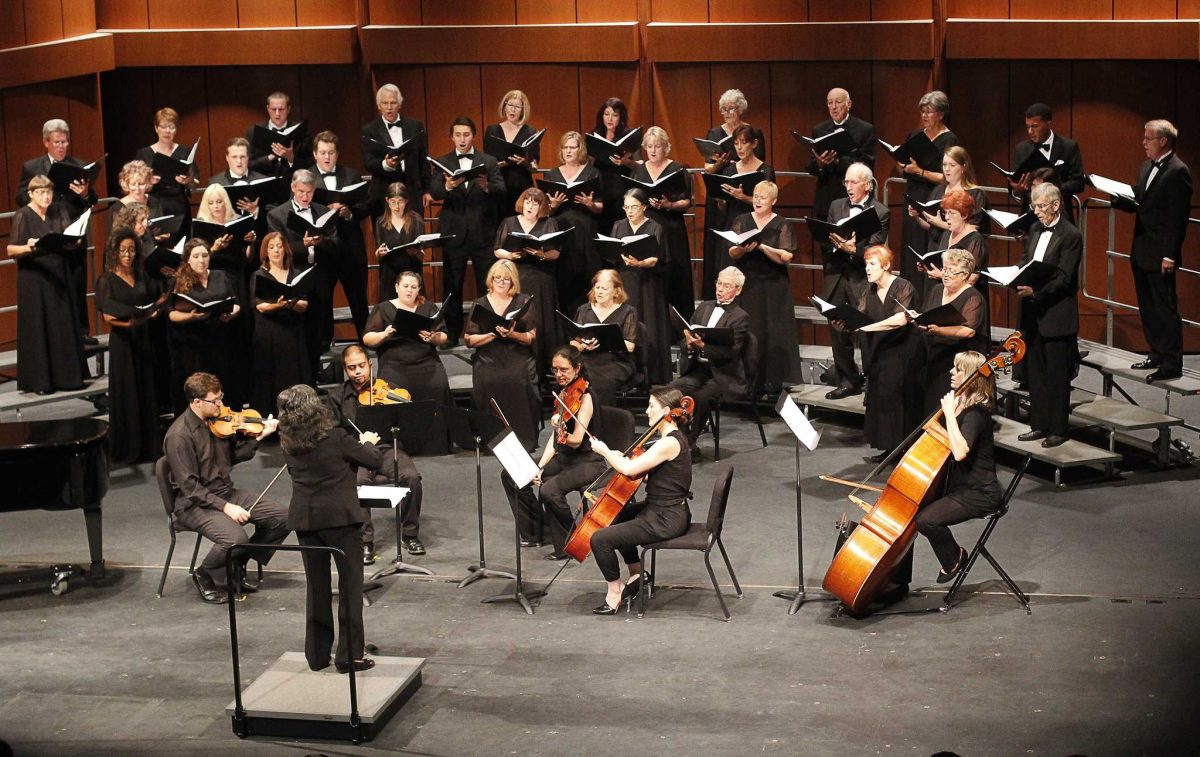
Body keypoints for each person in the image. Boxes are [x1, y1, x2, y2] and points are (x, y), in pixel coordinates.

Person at [277, 384, 381, 674]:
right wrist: (368, 441)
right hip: (341, 521)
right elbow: (373, 460)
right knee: (349, 588)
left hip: (307, 521)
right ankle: (349, 656)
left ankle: (318, 655)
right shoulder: (336, 437)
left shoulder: (287, 442)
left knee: (317, 588)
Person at [163, 372, 289, 604]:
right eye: (215, 400)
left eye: (221, 398)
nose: (221, 404)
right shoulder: (179, 436)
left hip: (224, 492)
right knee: (235, 538)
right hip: (193, 504)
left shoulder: (218, 423)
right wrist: (226, 507)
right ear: (197, 402)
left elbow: (233, 456)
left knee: (283, 517)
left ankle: (235, 562)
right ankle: (206, 572)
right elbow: (190, 488)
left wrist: (259, 437)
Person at [587, 387, 693, 615]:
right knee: (614, 517)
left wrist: (605, 451)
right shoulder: (667, 440)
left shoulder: (668, 443)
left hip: (666, 517)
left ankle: (615, 592)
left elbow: (629, 468)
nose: (646, 411)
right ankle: (638, 574)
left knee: (599, 539)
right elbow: (649, 475)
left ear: (666, 410)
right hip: (662, 509)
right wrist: (619, 457)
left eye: (651, 406)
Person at [501, 345, 607, 556]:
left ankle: (572, 540)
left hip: (588, 461)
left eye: (564, 370)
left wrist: (560, 430)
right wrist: (540, 467)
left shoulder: (585, 397)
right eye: (555, 370)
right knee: (513, 475)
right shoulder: (564, 393)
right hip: (564, 458)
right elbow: (554, 439)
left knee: (549, 491)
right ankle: (535, 531)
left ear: (577, 369)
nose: (558, 374)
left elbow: (576, 440)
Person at [1111, 119, 1192, 383]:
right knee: (1147, 305)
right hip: (1142, 249)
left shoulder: (1178, 171)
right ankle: (1156, 352)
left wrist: (1170, 254)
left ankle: (1172, 362)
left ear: (1163, 141)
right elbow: (1140, 201)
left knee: (1164, 307)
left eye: (1148, 138)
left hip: (1161, 255)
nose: (1143, 143)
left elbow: (1177, 217)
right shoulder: (1145, 167)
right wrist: (1116, 196)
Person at [913, 350, 1003, 585]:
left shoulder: (975, 414)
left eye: (959, 369)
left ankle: (954, 558)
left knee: (926, 520)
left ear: (973, 376)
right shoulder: (963, 406)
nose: (952, 372)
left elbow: (960, 452)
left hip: (980, 493)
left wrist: (951, 417)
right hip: (961, 487)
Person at [334, 344, 427, 560]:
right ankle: (365, 541)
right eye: (351, 368)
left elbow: (409, 425)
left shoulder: (390, 389)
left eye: (361, 366)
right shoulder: (337, 397)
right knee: (358, 484)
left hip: (387, 447)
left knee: (412, 478)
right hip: (357, 453)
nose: (358, 372)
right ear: (345, 370)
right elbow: (336, 432)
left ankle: (410, 534)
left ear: (370, 364)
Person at [1014, 183, 1083, 449]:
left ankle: (1058, 429)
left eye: (1041, 206)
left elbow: (1064, 278)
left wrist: (1036, 292)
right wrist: (1013, 274)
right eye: (1034, 206)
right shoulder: (1034, 229)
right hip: (1033, 313)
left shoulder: (1071, 235)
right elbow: (1025, 260)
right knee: (1036, 373)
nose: (1037, 211)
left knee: (1056, 376)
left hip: (1056, 314)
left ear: (1056, 205)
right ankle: (1039, 425)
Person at [6, 175, 88, 394]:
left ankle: (69, 378)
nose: (46, 196)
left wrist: (73, 240)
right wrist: (29, 246)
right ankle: (41, 382)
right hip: (34, 277)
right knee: (39, 326)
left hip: (59, 274)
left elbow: (71, 238)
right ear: (31, 194)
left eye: (49, 192)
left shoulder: (59, 210)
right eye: (41, 192)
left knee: (61, 324)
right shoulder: (23, 214)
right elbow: (11, 249)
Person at [429, 116, 506, 346]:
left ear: (473, 136)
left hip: (483, 232)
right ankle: (452, 334)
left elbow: (502, 191)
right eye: (458, 135)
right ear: (452, 137)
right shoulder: (442, 161)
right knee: (452, 285)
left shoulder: (488, 161)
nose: (462, 139)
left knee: (487, 284)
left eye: (466, 134)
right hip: (454, 233)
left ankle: (486, 331)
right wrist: (446, 186)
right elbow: (433, 190)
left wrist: (486, 186)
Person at [16, 119, 97, 337]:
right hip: (45, 232)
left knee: (78, 284)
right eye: (57, 142)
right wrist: (41, 194)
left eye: (65, 142)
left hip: (72, 233)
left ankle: (82, 334)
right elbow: (20, 197)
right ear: (46, 143)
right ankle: (57, 334)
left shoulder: (78, 164)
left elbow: (92, 200)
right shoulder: (32, 167)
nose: (61, 146)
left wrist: (84, 194)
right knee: (53, 288)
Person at [362, 270, 452, 455]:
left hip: (425, 360)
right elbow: (368, 339)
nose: (409, 291)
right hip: (394, 363)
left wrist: (433, 337)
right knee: (395, 386)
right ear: (396, 288)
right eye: (405, 287)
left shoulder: (428, 308)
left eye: (413, 287)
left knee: (438, 383)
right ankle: (400, 447)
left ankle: (435, 445)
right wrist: (385, 334)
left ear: (418, 289)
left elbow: (444, 336)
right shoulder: (383, 308)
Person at [842, 246, 918, 463]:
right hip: (879, 352)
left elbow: (900, 319)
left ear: (886, 266)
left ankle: (906, 450)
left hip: (902, 352)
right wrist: (845, 322)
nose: (867, 268)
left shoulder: (903, 286)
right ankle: (890, 448)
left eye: (872, 264)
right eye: (866, 264)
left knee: (899, 401)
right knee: (883, 402)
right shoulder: (869, 290)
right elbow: (860, 316)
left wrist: (867, 328)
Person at [666, 266, 750, 461]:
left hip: (723, 373)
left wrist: (703, 346)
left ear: (737, 290)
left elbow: (732, 352)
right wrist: (688, 344)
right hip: (698, 369)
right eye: (719, 283)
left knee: (701, 397)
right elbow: (688, 333)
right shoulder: (704, 307)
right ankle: (676, 438)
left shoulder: (740, 317)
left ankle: (689, 443)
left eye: (726, 285)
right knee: (672, 390)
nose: (720, 289)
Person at [821, 163, 890, 399]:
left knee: (866, 331)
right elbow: (826, 237)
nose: (848, 187)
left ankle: (873, 384)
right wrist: (833, 244)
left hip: (862, 276)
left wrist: (853, 250)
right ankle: (848, 380)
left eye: (853, 182)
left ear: (867, 185)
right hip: (837, 275)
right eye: (846, 182)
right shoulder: (836, 206)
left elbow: (876, 247)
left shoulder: (880, 212)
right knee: (838, 331)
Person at [727, 180, 801, 392]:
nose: (758, 200)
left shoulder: (782, 223)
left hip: (774, 284)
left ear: (774, 201)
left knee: (773, 330)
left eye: (763, 198)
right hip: (748, 282)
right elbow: (732, 252)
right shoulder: (742, 220)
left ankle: (773, 382)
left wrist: (762, 246)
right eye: (756, 196)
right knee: (751, 328)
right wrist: (743, 249)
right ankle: (749, 381)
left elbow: (786, 256)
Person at [267, 168, 340, 380]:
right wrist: (303, 245)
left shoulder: (324, 212)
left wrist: (322, 242)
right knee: (294, 335)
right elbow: (277, 248)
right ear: (292, 188)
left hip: (318, 281)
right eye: (301, 192)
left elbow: (337, 245)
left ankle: (313, 381)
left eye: (309, 192)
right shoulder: (276, 215)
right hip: (292, 280)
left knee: (316, 335)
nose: (305, 196)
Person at [96, 228, 162, 464]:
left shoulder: (142, 276)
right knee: (127, 391)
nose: (127, 254)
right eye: (123, 250)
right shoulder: (107, 280)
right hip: (123, 341)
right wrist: (130, 322)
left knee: (146, 388)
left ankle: (149, 446)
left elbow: (155, 299)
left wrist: (153, 311)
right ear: (114, 252)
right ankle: (129, 448)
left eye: (132, 250)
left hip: (144, 337)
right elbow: (107, 317)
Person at [464, 260, 540, 451]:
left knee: (520, 378)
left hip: (517, 354)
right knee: (488, 379)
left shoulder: (523, 301)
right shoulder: (480, 303)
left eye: (506, 279)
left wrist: (512, 334)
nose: (501, 282)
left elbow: (531, 337)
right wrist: (492, 334)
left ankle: (522, 439)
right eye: (497, 278)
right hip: (489, 355)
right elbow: (469, 339)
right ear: (491, 279)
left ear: (513, 281)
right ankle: (490, 439)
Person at [700, 89, 768, 298]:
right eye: (723, 109)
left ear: (741, 109)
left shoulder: (753, 132)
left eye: (731, 109)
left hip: (746, 193)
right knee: (721, 245)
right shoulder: (714, 134)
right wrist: (719, 165)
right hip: (723, 191)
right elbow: (707, 168)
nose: (727, 113)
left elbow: (762, 168)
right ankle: (719, 293)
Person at [897, 91, 959, 301]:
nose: (925, 116)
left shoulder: (950, 139)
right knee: (911, 246)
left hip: (934, 197)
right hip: (912, 194)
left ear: (941, 114)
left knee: (929, 245)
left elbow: (948, 176)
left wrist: (920, 172)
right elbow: (902, 165)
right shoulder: (916, 135)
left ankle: (928, 299)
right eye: (922, 111)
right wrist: (901, 164)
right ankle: (909, 298)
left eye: (929, 111)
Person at [494, 187, 561, 379]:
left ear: (542, 207)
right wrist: (510, 255)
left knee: (540, 318)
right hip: (517, 276)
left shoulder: (549, 223)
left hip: (541, 278)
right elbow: (497, 250)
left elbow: (556, 252)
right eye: (528, 201)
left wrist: (541, 254)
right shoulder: (509, 222)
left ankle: (545, 366)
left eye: (535, 203)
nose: (530, 206)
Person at [167, 239, 242, 412]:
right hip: (193, 345)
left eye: (205, 256)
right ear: (188, 260)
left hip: (219, 340)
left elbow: (236, 302)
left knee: (222, 383)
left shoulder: (220, 275)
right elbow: (171, 314)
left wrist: (231, 313)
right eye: (196, 256)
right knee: (199, 388)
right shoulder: (179, 281)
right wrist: (191, 316)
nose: (201, 260)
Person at [310, 130, 372, 339]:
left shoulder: (351, 175)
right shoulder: (307, 179)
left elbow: (365, 206)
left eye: (331, 152)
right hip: (322, 249)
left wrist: (349, 213)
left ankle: (366, 339)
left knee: (358, 300)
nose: (327, 157)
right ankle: (325, 344)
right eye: (323, 152)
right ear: (315, 154)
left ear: (337, 154)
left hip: (350, 250)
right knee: (323, 301)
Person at [631, 126, 694, 322]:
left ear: (665, 147)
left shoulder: (676, 169)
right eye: (649, 146)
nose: (653, 150)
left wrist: (669, 204)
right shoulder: (639, 170)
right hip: (647, 227)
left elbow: (687, 201)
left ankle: (678, 326)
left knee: (675, 273)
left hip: (671, 227)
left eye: (657, 146)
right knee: (651, 274)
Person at [609, 188, 670, 385]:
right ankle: (626, 373)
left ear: (644, 207)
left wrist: (639, 263)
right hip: (625, 281)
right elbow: (612, 252)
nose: (630, 211)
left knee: (648, 322)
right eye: (626, 207)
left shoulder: (655, 227)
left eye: (634, 207)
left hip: (647, 283)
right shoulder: (618, 226)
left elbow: (656, 259)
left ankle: (651, 373)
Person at [915, 249, 987, 416]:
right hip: (933, 355)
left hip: (955, 361)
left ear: (965, 275)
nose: (945, 274)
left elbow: (968, 331)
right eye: (945, 269)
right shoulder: (937, 290)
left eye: (951, 271)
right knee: (930, 405)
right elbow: (926, 314)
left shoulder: (973, 297)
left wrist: (939, 330)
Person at [251, 232, 311, 415]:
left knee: (293, 376)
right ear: (265, 251)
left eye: (279, 246)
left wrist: (290, 304)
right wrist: (279, 305)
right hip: (268, 334)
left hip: (291, 332)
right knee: (270, 379)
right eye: (271, 247)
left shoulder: (296, 274)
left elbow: (304, 304)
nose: (276, 250)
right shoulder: (259, 275)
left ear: (285, 249)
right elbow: (260, 306)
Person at [543, 130, 603, 310]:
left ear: (580, 150)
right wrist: (553, 205)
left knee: (587, 274)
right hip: (561, 230)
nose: (568, 151)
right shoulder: (552, 174)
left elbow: (600, 207)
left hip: (585, 229)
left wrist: (589, 203)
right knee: (564, 276)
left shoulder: (592, 172)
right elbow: (545, 211)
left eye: (572, 147)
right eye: (565, 148)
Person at [709, 124, 776, 277]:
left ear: (754, 144)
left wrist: (744, 197)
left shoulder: (765, 170)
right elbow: (724, 209)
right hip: (733, 224)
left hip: (757, 226)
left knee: (754, 273)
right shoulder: (729, 170)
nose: (739, 148)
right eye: (736, 143)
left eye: (744, 142)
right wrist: (721, 201)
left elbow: (769, 203)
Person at [806, 87, 876, 222]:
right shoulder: (819, 130)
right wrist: (819, 164)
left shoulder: (865, 129)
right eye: (830, 103)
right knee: (826, 241)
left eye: (838, 102)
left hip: (854, 198)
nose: (833, 107)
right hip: (826, 198)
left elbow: (868, 164)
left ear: (848, 104)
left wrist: (838, 162)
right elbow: (810, 166)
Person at [572, 269, 638, 406]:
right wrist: (583, 346)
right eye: (597, 287)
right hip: (587, 359)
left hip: (616, 361)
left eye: (604, 288)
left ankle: (602, 420)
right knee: (577, 374)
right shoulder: (584, 310)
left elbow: (630, 346)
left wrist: (608, 342)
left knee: (601, 381)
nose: (600, 291)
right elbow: (574, 342)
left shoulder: (628, 311)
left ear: (616, 291)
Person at [1009, 103, 1085, 222]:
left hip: (1060, 216)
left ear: (1048, 124)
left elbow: (1078, 182)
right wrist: (1016, 190)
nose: (1030, 131)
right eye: (1027, 126)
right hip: (1031, 217)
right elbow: (1014, 188)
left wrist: (1050, 188)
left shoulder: (1069, 147)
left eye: (1035, 126)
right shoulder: (1021, 150)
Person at [362, 83, 431, 213]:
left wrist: (427, 190)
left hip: (412, 193)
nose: (389, 108)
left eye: (393, 103)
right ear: (379, 105)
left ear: (399, 104)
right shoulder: (369, 130)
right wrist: (386, 164)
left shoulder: (415, 126)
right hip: (383, 195)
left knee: (415, 232)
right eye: (385, 103)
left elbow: (424, 161)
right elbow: (369, 162)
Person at [908, 146, 991, 249]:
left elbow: (973, 228)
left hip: (959, 250)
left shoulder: (976, 194)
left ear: (963, 167)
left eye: (952, 165)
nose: (947, 169)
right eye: (944, 165)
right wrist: (917, 216)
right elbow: (930, 226)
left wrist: (940, 224)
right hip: (936, 246)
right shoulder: (938, 190)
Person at [136, 108, 197, 233]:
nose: (167, 131)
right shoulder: (144, 154)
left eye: (172, 127)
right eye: (163, 126)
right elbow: (136, 183)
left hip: (179, 206)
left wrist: (188, 180)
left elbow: (195, 182)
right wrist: (150, 182)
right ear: (156, 128)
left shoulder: (185, 152)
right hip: (154, 206)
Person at [485, 89, 540, 217]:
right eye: (510, 105)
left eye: (517, 107)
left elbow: (534, 165)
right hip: (498, 183)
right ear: (504, 107)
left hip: (520, 184)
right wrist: (497, 164)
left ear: (523, 110)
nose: (513, 110)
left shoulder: (530, 132)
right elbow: (486, 160)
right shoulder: (492, 130)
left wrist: (525, 163)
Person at [591, 97, 641, 235]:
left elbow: (640, 165)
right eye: (606, 114)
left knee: (620, 229)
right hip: (601, 188)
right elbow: (588, 163)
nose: (610, 119)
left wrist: (626, 162)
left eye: (615, 115)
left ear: (621, 117)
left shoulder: (629, 135)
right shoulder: (596, 134)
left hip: (621, 188)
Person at [374, 181, 428, 301]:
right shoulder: (380, 222)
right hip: (389, 276)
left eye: (400, 202)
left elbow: (421, 254)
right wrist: (379, 253)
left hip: (411, 273)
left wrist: (417, 253)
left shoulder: (416, 220)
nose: (396, 207)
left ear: (406, 201)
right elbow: (379, 253)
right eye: (393, 202)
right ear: (387, 200)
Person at [247, 90, 312, 181]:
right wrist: (269, 157)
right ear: (268, 109)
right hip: (264, 186)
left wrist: (291, 158)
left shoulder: (302, 131)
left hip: (293, 185)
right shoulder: (253, 132)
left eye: (281, 109)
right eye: (274, 109)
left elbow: (310, 164)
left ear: (288, 109)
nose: (277, 113)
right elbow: (248, 164)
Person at [207, 137, 268, 219]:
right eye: (234, 157)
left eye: (242, 157)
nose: (239, 161)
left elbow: (272, 214)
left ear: (248, 157)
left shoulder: (263, 180)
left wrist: (255, 210)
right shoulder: (214, 182)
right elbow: (209, 215)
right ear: (227, 158)